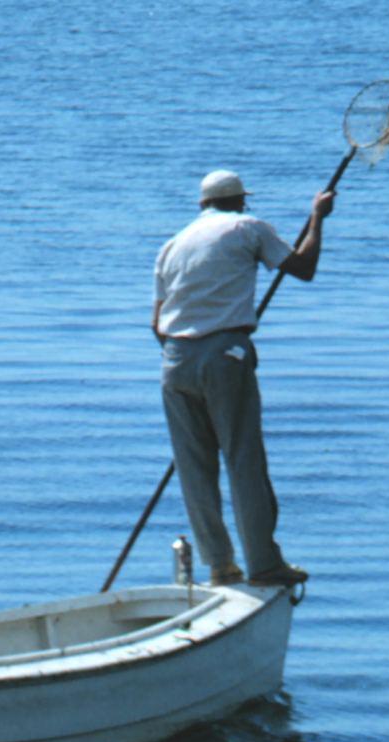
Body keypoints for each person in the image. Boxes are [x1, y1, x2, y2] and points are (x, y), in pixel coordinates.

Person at [152, 169, 334, 587]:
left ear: (202, 205)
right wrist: (318, 216)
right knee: (243, 460)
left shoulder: (171, 246)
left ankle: (220, 565)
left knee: (193, 467)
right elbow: (303, 268)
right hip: (225, 355)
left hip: (174, 360)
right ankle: (264, 564)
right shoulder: (248, 227)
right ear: (238, 201)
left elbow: (156, 323)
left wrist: (189, 355)